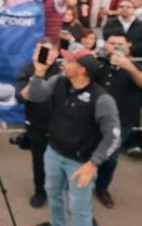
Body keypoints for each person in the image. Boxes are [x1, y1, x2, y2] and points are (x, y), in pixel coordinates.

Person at [20, 48, 121, 226]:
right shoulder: (58, 81)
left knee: (79, 207)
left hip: (81, 163)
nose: (63, 63)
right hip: (53, 152)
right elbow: (35, 97)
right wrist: (39, 72)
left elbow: (113, 137)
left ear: (81, 69)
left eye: (68, 61)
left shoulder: (102, 100)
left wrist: (93, 164)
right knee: (53, 194)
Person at [92, 33, 142, 208]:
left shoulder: (137, 65)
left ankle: (102, 187)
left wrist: (129, 67)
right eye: (112, 43)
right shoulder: (98, 63)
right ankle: (82, 181)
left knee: (110, 158)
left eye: (121, 44)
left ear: (128, 47)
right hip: (92, 119)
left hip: (121, 121)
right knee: (86, 152)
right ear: (105, 45)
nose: (116, 47)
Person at [15, 37, 61, 209]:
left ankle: (59, 192)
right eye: (39, 50)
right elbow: (21, 97)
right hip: (37, 126)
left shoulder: (64, 71)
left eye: (47, 51)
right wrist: (38, 73)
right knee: (39, 162)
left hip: (61, 127)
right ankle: (40, 192)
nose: (42, 54)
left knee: (61, 163)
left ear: (56, 53)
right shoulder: (27, 70)